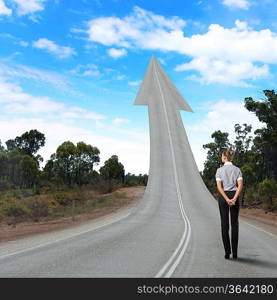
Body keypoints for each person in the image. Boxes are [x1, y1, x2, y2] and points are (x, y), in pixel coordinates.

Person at [215, 149, 243, 259]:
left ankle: (227, 252)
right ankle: (235, 253)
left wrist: (226, 199)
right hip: (234, 195)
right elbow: (240, 185)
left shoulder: (219, 170)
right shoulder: (237, 170)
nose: (221, 157)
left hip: (223, 197)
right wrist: (234, 198)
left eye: (222, 156)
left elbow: (219, 187)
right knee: (234, 225)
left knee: (224, 225)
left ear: (225, 157)